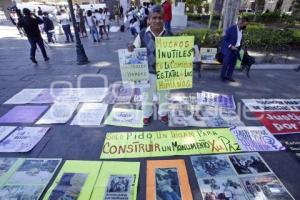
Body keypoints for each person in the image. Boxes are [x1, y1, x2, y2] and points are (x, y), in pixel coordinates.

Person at [128, 5, 172, 125]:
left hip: (165, 73)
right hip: (148, 72)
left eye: (160, 18)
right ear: (149, 19)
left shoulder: (169, 34)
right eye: (154, 18)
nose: (157, 21)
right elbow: (135, 46)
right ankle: (147, 114)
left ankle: (163, 113)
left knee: (164, 95)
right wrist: (131, 47)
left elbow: (176, 52)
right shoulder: (142, 34)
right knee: (147, 96)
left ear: (164, 19)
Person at [220, 18, 247, 82]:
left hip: (236, 50)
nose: (245, 26)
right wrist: (230, 46)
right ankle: (223, 77)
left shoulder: (241, 30)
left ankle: (229, 76)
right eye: (245, 24)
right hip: (228, 50)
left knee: (232, 65)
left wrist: (242, 45)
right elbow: (224, 40)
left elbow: (239, 39)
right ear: (241, 23)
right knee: (225, 64)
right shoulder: (230, 29)